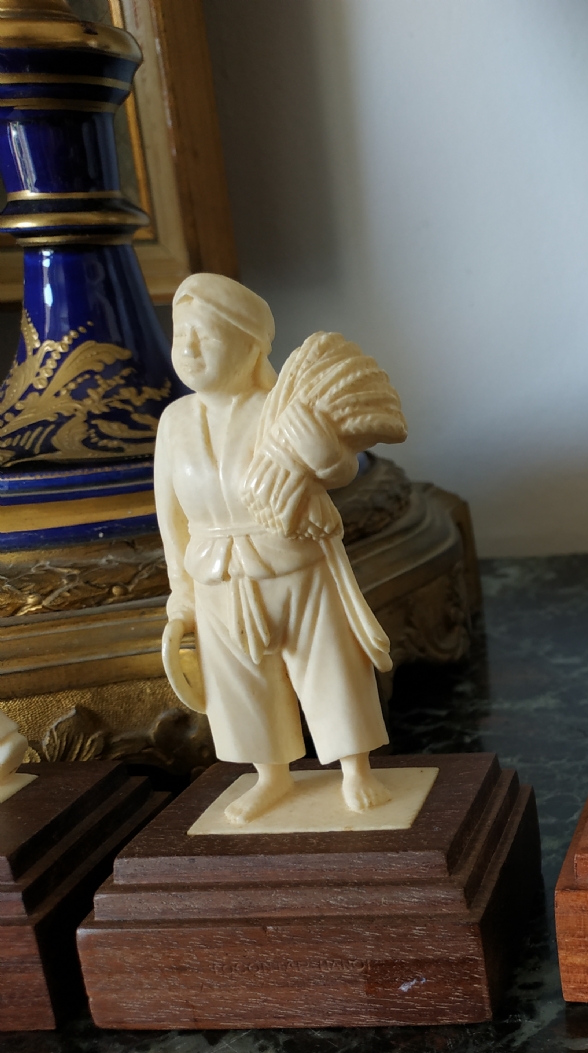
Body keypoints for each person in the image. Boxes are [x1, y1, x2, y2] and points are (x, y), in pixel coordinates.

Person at [155, 274, 399, 822]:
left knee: (330, 665)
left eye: (205, 336)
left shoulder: (280, 408)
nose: (188, 349)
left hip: (294, 562)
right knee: (240, 680)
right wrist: (181, 597)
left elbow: (340, 470)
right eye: (179, 335)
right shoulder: (174, 422)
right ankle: (271, 777)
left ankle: (355, 769)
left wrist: (321, 449)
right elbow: (171, 520)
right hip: (215, 574)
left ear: (250, 347)